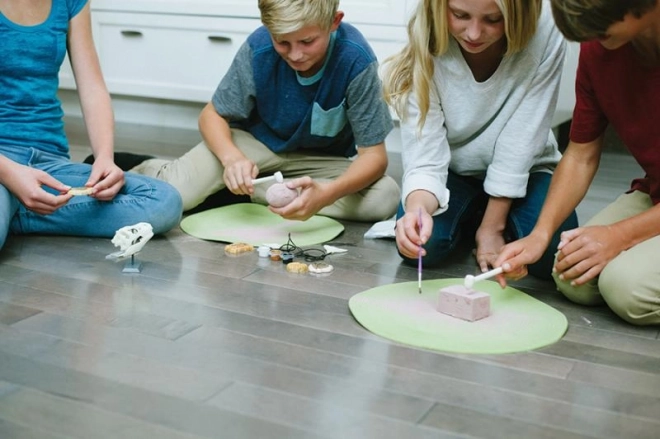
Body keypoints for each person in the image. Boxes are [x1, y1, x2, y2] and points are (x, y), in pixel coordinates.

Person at [123, 0, 401, 222]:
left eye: (307, 42)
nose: (295, 55)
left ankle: (237, 190)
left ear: (334, 22)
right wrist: (232, 159)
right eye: (282, 42)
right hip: (253, 146)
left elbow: (374, 157)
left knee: (384, 197)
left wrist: (326, 194)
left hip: (318, 162)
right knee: (176, 194)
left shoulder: (356, 60)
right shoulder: (259, 48)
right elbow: (212, 115)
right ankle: (150, 167)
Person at [381, 0, 577, 278]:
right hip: (453, 172)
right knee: (423, 247)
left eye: (493, 19)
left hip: (527, 170)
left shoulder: (546, 26)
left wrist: (492, 226)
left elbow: (522, 137)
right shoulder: (426, 29)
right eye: (460, 15)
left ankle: (482, 219)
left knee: (553, 255)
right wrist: (417, 209)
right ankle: (472, 216)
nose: (474, 33)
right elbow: (425, 156)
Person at [495, 0, 660, 325]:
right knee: (572, 275)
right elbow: (581, 154)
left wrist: (619, 235)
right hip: (653, 191)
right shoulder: (600, 46)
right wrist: (540, 234)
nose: (592, 37)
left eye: (601, 29)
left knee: (628, 290)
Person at [0, 0, 182, 251]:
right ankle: (19, 207)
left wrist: (105, 158)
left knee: (164, 202)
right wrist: (10, 174)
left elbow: (92, 86)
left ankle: (17, 210)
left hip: (50, 164)